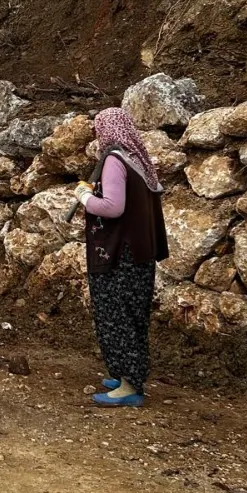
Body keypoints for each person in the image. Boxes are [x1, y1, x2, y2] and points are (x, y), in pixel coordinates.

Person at [73, 107, 168, 408]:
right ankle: (126, 375)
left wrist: (84, 197)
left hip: (119, 256)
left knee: (117, 316)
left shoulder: (114, 160)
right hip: (140, 253)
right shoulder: (137, 159)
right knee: (132, 315)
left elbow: (113, 207)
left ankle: (129, 387)